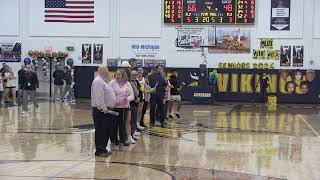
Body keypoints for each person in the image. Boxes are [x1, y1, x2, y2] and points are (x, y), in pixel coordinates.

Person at [91, 66, 118, 157]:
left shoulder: (104, 81)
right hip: (101, 111)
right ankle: (99, 151)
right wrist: (104, 110)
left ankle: (103, 149)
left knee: (106, 131)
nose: (108, 73)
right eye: (106, 71)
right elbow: (99, 98)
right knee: (101, 131)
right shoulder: (98, 81)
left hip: (106, 110)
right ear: (101, 72)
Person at [109, 69, 134, 146]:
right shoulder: (112, 83)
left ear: (123, 76)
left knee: (122, 125)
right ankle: (113, 141)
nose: (117, 76)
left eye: (119, 74)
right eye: (116, 74)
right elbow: (109, 94)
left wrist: (127, 99)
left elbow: (132, 96)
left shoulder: (128, 84)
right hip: (114, 107)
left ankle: (122, 141)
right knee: (113, 125)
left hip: (124, 108)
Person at [129, 70, 143, 142]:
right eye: (132, 75)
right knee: (130, 121)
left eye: (135, 75)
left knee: (134, 120)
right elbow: (128, 93)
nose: (133, 76)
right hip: (130, 104)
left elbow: (140, 92)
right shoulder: (128, 83)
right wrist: (135, 98)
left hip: (136, 104)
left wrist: (139, 98)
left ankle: (133, 133)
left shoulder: (137, 82)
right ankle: (130, 135)